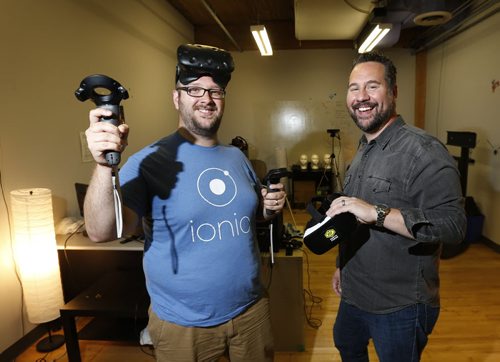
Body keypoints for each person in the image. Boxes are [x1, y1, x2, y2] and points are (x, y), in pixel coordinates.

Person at [83, 43, 285, 361]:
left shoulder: (237, 157)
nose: (206, 98)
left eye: (215, 91)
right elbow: (100, 232)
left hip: (251, 312)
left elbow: (251, 217)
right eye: (194, 90)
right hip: (183, 326)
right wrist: (103, 166)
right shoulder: (148, 161)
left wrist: (268, 208)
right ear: (176, 98)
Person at [326, 52, 466, 361]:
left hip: (400, 305)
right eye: (354, 88)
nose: (361, 97)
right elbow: (353, 216)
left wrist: (377, 212)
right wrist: (341, 264)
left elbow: (454, 226)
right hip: (354, 292)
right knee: (347, 346)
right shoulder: (363, 148)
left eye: (372, 86)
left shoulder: (424, 151)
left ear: (393, 92)